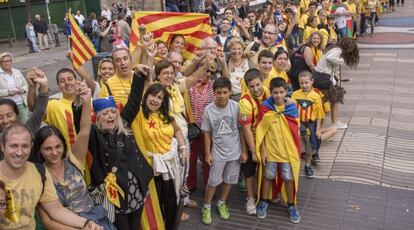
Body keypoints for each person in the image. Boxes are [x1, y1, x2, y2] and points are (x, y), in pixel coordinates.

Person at [75, 69, 156, 229]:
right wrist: (79, 103)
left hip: (136, 190)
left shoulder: (124, 125)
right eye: (105, 113)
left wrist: (139, 75)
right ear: (98, 118)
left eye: (113, 112)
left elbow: (133, 101)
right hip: (115, 196)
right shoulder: (94, 135)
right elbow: (81, 126)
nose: (110, 116)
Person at [35, 84, 115, 229]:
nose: (54, 152)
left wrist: (85, 102)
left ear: (64, 146)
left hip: (97, 221)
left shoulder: (73, 160)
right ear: (39, 150)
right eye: (47, 148)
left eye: (58, 146)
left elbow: (84, 131)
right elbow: (47, 221)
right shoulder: (38, 174)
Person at [0, 124, 102, 229]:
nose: (19, 152)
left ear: (31, 146)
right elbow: (47, 221)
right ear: (3, 146)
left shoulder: (40, 172)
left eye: (25, 146)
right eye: (14, 146)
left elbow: (56, 210)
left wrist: (87, 223)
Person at [131, 83, 188, 229]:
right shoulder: (138, 115)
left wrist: (183, 147)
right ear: (146, 96)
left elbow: (178, 131)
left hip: (169, 168)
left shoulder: (166, 116)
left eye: (159, 98)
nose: (155, 100)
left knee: (170, 204)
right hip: (149, 168)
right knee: (153, 205)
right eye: (153, 95)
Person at [255, 78, 301, 223]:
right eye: (275, 92)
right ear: (271, 91)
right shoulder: (265, 108)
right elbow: (261, 131)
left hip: (287, 153)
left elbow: (296, 131)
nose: (279, 95)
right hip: (270, 152)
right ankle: (264, 201)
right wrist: (262, 151)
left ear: (286, 91)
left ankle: (291, 204)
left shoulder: (292, 108)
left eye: (281, 92)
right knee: (268, 176)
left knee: (288, 178)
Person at [201, 78, 245, 225]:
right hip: (218, 154)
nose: (222, 96)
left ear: (230, 92)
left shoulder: (236, 107)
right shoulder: (208, 110)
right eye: (218, 92)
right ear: (214, 93)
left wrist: (244, 151)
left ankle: (221, 202)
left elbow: (242, 130)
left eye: (225, 92)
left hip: (235, 153)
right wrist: (207, 153)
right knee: (213, 181)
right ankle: (206, 206)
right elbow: (206, 133)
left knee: (229, 180)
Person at [238, 68, 270, 215]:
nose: (256, 89)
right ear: (247, 86)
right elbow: (245, 130)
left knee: (265, 169)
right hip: (250, 139)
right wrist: (252, 152)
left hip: (266, 139)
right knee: (249, 171)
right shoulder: (245, 102)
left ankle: (265, 195)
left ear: (262, 82)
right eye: (252, 86)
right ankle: (250, 199)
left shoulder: (267, 92)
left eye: (258, 85)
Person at [313, 37, 359, 129]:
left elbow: (333, 70)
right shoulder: (338, 50)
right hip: (322, 77)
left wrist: (338, 81)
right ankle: (334, 122)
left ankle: (312, 106)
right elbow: (329, 58)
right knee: (335, 98)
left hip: (319, 76)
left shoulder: (334, 49)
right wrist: (341, 61)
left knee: (328, 98)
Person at [292, 71, 325, 178]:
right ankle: (295, 163)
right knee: (298, 145)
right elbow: (292, 110)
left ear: (312, 82)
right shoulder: (295, 94)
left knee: (312, 144)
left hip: (311, 123)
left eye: (306, 82)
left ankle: (307, 165)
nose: (304, 85)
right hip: (299, 122)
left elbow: (320, 114)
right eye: (301, 83)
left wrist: (318, 129)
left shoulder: (316, 96)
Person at [0, 52, 29, 123]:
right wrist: (7, 92)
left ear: (11, 62)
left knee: (25, 125)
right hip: (7, 106)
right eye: (4, 61)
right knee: (10, 126)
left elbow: (26, 85)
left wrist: (23, 90)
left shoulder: (17, 72)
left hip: (21, 104)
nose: (6, 63)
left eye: (8, 61)